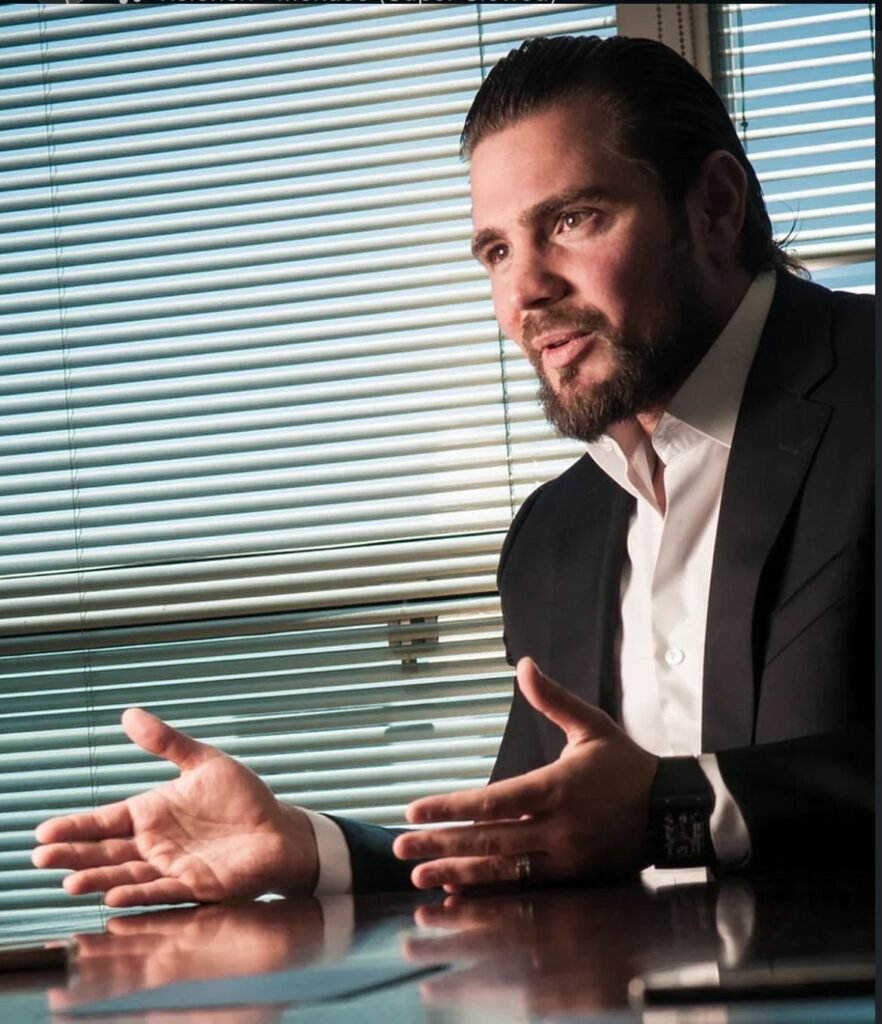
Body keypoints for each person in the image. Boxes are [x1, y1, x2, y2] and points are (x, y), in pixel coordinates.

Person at [32, 35, 873, 906]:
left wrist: (679, 810)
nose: (524, 292)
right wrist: (310, 848)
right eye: (497, 251)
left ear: (715, 207)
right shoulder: (554, 536)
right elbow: (528, 845)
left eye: (572, 220)